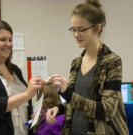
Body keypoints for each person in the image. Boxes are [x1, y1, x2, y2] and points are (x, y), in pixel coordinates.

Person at [46, 0, 129, 135]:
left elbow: (106, 110)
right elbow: (77, 101)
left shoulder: (112, 62)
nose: (76, 35)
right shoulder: (76, 63)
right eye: (73, 29)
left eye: (81, 29)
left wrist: (67, 94)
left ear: (97, 28)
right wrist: (59, 108)